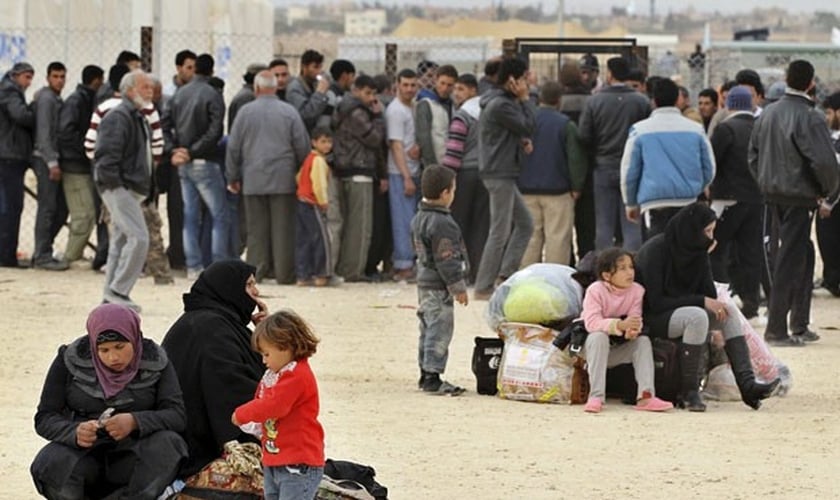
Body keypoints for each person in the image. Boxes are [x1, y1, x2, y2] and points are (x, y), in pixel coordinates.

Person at [30, 303, 187, 500]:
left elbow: (176, 415)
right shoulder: (70, 360)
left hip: (134, 455)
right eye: (103, 350)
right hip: (84, 455)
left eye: (120, 347)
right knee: (50, 463)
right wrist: (74, 432)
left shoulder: (155, 361)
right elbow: (45, 417)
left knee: (169, 445)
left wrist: (135, 421)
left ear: (134, 338)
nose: (113, 357)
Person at [635, 203, 780, 412]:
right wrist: (701, 301)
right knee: (697, 316)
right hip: (653, 317)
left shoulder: (696, 250)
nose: (711, 237)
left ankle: (748, 386)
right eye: (707, 231)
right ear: (691, 229)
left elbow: (710, 295)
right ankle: (690, 390)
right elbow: (656, 302)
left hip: (683, 313)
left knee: (727, 313)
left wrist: (704, 261)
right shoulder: (656, 251)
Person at [749, 60, 840, 347]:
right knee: (790, 260)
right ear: (812, 83)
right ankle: (777, 329)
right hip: (799, 198)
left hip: (772, 195)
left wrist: (765, 181)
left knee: (800, 255)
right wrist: (826, 191)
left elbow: (753, 155)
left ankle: (798, 323)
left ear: (787, 79)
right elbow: (824, 162)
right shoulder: (810, 117)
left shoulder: (768, 114)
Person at [162, 260, 268, 478]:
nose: (256, 292)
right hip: (199, 448)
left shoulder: (217, 322)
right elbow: (233, 394)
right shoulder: (212, 331)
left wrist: (266, 336)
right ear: (228, 289)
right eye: (248, 285)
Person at [226, 70, 310, 285]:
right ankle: (284, 274)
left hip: (253, 179)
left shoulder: (245, 112)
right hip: (283, 179)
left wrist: (233, 175)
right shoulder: (289, 112)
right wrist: (298, 171)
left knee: (256, 231)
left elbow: (233, 147)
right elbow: (302, 146)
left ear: (256, 88)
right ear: (276, 87)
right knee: (283, 230)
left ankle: (255, 274)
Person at [231, 310, 324, 500]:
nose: (263, 360)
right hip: (276, 460)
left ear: (285, 346)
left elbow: (274, 405)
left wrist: (242, 414)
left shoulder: (297, 375)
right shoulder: (278, 375)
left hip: (298, 464)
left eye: (266, 354)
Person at [580, 248, 674, 413]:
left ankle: (646, 396)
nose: (629, 272)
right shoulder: (595, 290)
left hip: (614, 350)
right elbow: (591, 323)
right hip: (589, 350)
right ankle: (596, 397)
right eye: (622, 268)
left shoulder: (637, 290)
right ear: (607, 275)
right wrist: (620, 325)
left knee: (642, 342)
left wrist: (632, 331)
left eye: (631, 267)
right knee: (598, 337)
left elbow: (635, 317)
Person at [473, 57, 536, 300]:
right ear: (512, 80)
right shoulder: (502, 104)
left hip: (503, 170)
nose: (525, 84)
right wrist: (525, 100)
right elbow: (529, 125)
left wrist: (521, 141)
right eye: (522, 79)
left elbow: (513, 132)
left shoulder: (502, 102)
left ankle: (504, 276)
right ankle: (483, 286)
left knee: (525, 224)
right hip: (499, 172)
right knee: (499, 231)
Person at [620, 78, 715, 239]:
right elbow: (709, 168)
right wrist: (697, 188)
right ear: (678, 99)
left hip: (654, 203)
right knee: (685, 252)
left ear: (653, 100)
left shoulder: (640, 130)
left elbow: (630, 170)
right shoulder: (695, 130)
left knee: (656, 253)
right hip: (688, 201)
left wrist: (630, 202)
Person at [93, 70, 155, 312]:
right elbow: (106, 155)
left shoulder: (136, 116)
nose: (150, 90)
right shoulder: (119, 116)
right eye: (145, 86)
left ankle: (110, 297)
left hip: (127, 187)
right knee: (139, 238)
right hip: (118, 187)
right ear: (130, 90)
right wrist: (116, 185)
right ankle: (118, 291)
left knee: (120, 240)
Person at [579, 57, 650, 251]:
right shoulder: (640, 101)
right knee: (632, 223)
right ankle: (632, 267)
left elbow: (584, 135)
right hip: (634, 168)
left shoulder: (595, 101)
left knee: (603, 224)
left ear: (609, 74)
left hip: (603, 166)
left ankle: (604, 269)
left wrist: (596, 153)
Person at [169, 53, 229, 279]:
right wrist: (194, 151)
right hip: (205, 162)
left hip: (183, 163)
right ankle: (219, 268)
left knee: (190, 216)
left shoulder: (180, 93)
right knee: (219, 216)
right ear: (212, 70)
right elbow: (216, 130)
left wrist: (177, 150)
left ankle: (193, 266)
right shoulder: (212, 94)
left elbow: (167, 123)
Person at [411, 165, 468, 395]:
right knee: (440, 329)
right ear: (445, 193)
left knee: (427, 327)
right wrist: (458, 287)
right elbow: (447, 259)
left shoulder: (418, 218)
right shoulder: (443, 223)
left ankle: (425, 372)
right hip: (438, 285)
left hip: (423, 282)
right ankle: (433, 377)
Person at [708, 86, 763, 319]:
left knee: (716, 249)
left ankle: (722, 297)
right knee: (750, 250)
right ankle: (751, 301)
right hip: (756, 198)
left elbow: (712, 163)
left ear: (729, 104)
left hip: (726, 199)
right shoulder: (760, 128)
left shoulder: (725, 128)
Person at [519, 80, 587, 267]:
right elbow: (575, 158)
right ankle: (553, 280)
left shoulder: (525, 121)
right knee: (557, 238)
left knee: (530, 238)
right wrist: (576, 186)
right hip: (558, 191)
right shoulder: (566, 124)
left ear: (539, 98)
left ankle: (526, 279)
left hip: (525, 189)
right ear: (559, 100)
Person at [331, 75, 386, 282]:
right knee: (360, 226)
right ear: (356, 91)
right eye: (367, 93)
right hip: (359, 170)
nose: (371, 98)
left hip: (347, 170)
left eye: (373, 93)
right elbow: (374, 139)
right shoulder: (357, 113)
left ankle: (348, 267)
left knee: (351, 224)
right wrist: (379, 117)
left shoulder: (345, 109)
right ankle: (353, 271)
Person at [441, 73, 488, 284]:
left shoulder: (462, 116)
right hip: (486, 174)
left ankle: (459, 272)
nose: (456, 93)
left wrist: (447, 180)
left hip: (464, 175)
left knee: (459, 225)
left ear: (472, 91)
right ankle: (479, 272)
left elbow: (453, 152)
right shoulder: (487, 112)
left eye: (460, 89)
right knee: (481, 226)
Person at [58, 65, 104, 267]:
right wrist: (87, 151)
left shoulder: (85, 99)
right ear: (95, 80)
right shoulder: (77, 101)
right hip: (74, 166)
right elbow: (66, 133)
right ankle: (70, 256)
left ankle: (72, 254)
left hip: (80, 164)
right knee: (83, 214)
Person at [32, 61, 70, 271]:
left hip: (50, 157)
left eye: (62, 76)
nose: (59, 81)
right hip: (45, 158)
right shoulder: (47, 99)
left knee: (57, 208)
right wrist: (52, 162)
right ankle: (42, 255)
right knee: (47, 208)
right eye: (55, 76)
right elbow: (44, 133)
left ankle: (44, 250)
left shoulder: (54, 98)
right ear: (48, 78)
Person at [386, 69, 422, 282]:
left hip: (413, 170)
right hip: (400, 173)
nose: (409, 89)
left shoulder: (413, 108)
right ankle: (403, 265)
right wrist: (406, 176)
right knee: (403, 221)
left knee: (411, 220)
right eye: (405, 84)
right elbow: (396, 146)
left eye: (413, 85)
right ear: (397, 85)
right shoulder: (396, 111)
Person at [0, 62, 36, 268]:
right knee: (11, 208)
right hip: (9, 156)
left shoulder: (9, 90)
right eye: (26, 77)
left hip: (9, 155)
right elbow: (21, 116)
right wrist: (35, 110)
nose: (28, 82)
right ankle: (6, 256)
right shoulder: (10, 92)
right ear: (15, 76)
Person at [295, 127, 333, 286]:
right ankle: (321, 274)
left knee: (304, 240)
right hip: (313, 203)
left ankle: (303, 275)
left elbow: (298, 177)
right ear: (314, 142)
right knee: (321, 239)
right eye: (323, 141)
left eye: (329, 142)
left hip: (302, 201)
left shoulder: (308, 158)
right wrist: (323, 201)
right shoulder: (318, 160)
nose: (327, 145)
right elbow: (319, 185)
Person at [816, 91, 840, 297]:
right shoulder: (830, 137)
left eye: (830, 112)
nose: (827, 117)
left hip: (833, 202)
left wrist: (830, 201)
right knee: (827, 242)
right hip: (827, 199)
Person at [416, 64, 457, 168]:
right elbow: (424, 139)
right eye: (442, 83)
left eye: (449, 85)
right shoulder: (426, 103)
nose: (444, 88)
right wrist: (432, 166)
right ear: (435, 80)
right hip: (434, 165)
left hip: (450, 163)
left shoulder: (453, 105)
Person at [286, 49, 332, 132]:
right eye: (315, 67)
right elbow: (306, 116)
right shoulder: (295, 88)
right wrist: (319, 94)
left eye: (320, 67)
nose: (319, 71)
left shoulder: (314, 84)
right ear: (304, 67)